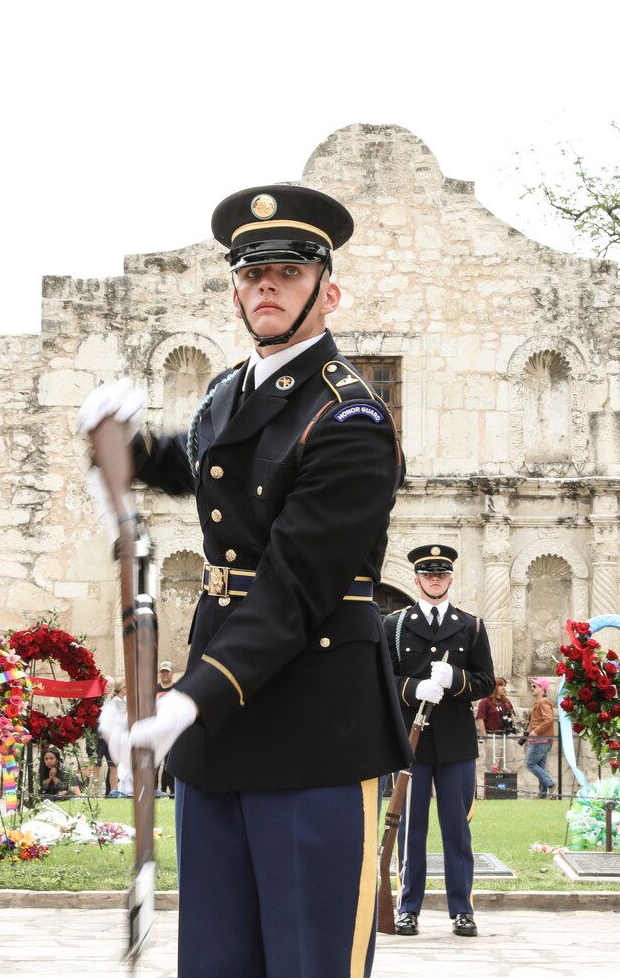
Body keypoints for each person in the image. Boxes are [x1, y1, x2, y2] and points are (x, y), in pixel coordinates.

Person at [84, 183, 410, 977]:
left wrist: (187, 699)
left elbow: (296, 585)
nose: (267, 285)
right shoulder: (231, 392)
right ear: (234, 288)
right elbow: (201, 468)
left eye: (289, 271)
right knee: (217, 960)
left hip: (311, 726)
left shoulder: (350, 419)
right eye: (251, 272)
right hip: (222, 733)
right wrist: (116, 445)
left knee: (308, 959)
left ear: (327, 291)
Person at [383, 544, 496, 938]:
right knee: (410, 830)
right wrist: (415, 688)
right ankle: (408, 907)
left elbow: (485, 681)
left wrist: (456, 682)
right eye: (428, 574)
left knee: (456, 830)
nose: (435, 579)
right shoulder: (394, 625)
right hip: (411, 743)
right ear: (416, 579)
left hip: (455, 743)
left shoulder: (472, 626)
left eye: (442, 573)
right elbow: (380, 681)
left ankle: (462, 909)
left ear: (451, 578)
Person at [524, 677, 558, 799]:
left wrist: (536, 732)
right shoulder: (541, 702)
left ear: (542, 689)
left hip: (541, 739)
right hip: (543, 739)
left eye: (534, 686)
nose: (531, 688)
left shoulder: (543, 702)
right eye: (531, 686)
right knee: (540, 766)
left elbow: (548, 719)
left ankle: (551, 784)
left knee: (530, 764)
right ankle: (543, 794)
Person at [155, 660, 177, 796]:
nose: (165, 674)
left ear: (172, 673)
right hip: (157, 730)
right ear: (159, 673)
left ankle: (171, 791)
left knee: (170, 762)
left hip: (171, 730)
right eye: (162, 672)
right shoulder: (154, 689)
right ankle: (156, 791)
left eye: (167, 672)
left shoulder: (177, 688)